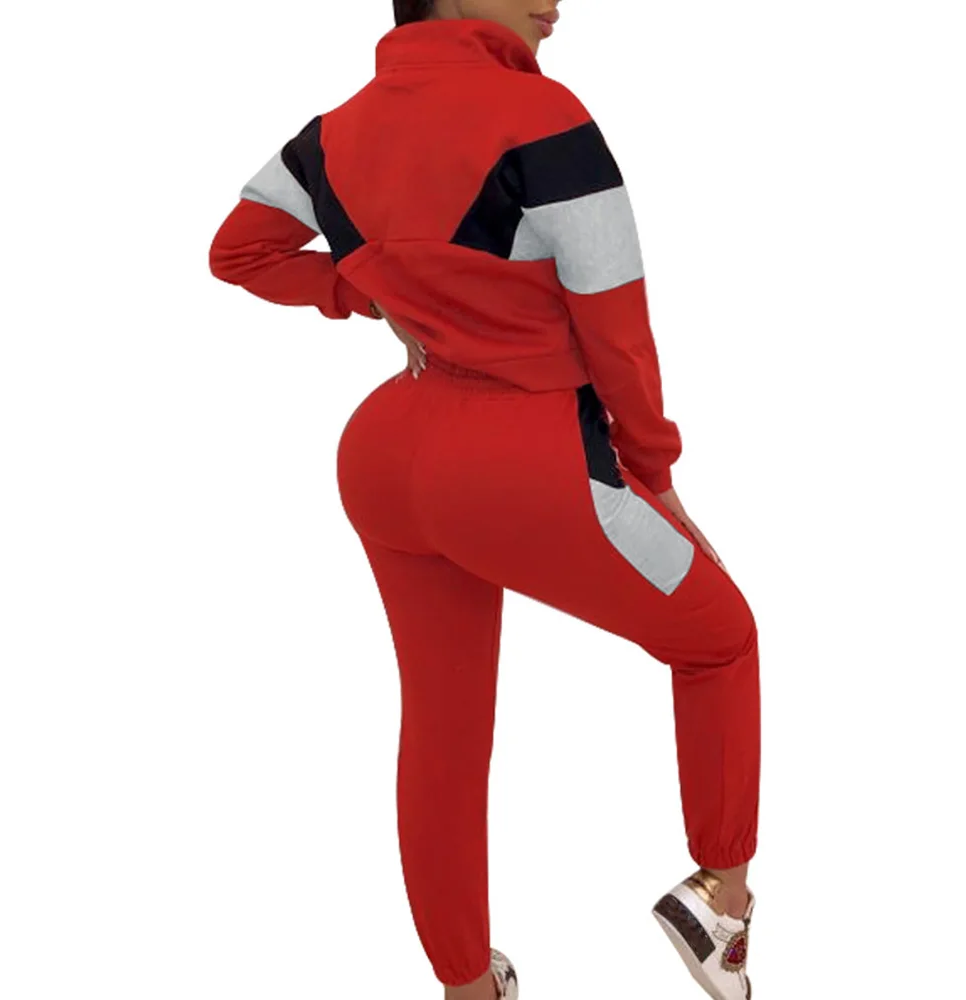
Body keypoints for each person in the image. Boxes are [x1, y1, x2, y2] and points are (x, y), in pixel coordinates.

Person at [208, 2, 760, 999]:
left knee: (442, 724)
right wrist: (655, 475)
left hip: (386, 455)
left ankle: (466, 984)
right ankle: (721, 898)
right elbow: (617, 330)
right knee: (720, 639)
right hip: (524, 459)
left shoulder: (332, 133)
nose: (556, 0)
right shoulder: (544, 118)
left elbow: (237, 251)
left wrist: (368, 292)